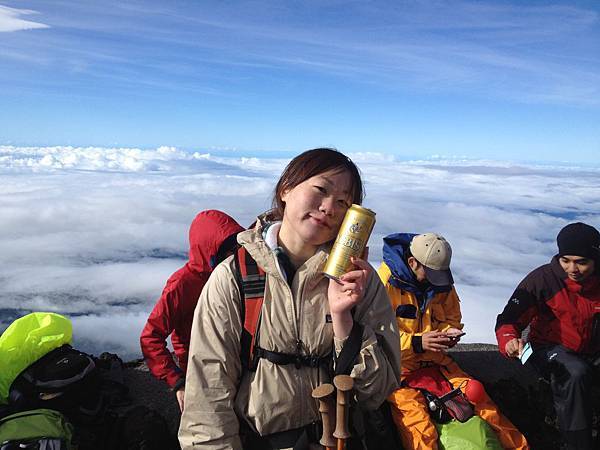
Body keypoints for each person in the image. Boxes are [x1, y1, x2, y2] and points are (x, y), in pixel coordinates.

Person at [178, 148, 401, 450]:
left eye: (343, 202)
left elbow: (376, 393)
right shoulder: (235, 277)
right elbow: (207, 399)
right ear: (286, 190)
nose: (328, 207)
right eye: (320, 190)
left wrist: (344, 323)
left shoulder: (358, 281)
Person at [379, 232, 529, 450]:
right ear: (412, 262)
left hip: (438, 364)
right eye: (429, 273)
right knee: (418, 425)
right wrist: (416, 342)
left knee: (478, 397)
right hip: (398, 369)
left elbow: (452, 317)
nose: (435, 280)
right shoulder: (385, 284)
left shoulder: (441, 282)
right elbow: (376, 334)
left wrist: (449, 333)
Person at [496, 222, 600, 450]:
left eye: (581, 262)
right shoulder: (543, 280)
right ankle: (576, 444)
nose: (572, 268)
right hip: (547, 350)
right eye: (566, 260)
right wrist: (509, 341)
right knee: (574, 373)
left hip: (592, 351)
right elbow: (508, 321)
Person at [140, 210, 244, 412]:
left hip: (235, 366)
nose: (234, 253)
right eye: (228, 249)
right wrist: (177, 382)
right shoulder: (182, 284)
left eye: (237, 246)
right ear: (210, 250)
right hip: (199, 372)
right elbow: (150, 337)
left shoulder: (236, 276)